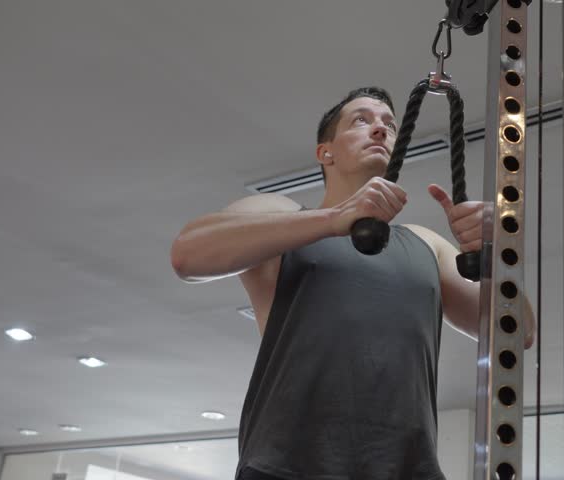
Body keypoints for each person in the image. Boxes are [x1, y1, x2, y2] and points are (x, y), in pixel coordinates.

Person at [170, 86, 535, 480]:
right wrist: (334, 219)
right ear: (325, 152)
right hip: (287, 466)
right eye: (361, 121)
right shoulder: (281, 215)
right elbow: (187, 256)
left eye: (389, 125)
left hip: (408, 469)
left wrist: (495, 255)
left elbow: (519, 333)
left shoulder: (427, 245)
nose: (379, 130)